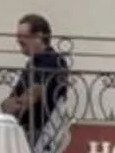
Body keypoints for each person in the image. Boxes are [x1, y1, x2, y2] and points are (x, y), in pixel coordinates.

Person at [4, 14, 69, 142]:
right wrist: (15, 103)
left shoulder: (53, 61)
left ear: (39, 36)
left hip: (35, 131)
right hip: (21, 128)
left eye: (23, 36)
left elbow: (33, 95)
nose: (18, 40)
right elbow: (8, 102)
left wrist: (18, 102)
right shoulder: (32, 63)